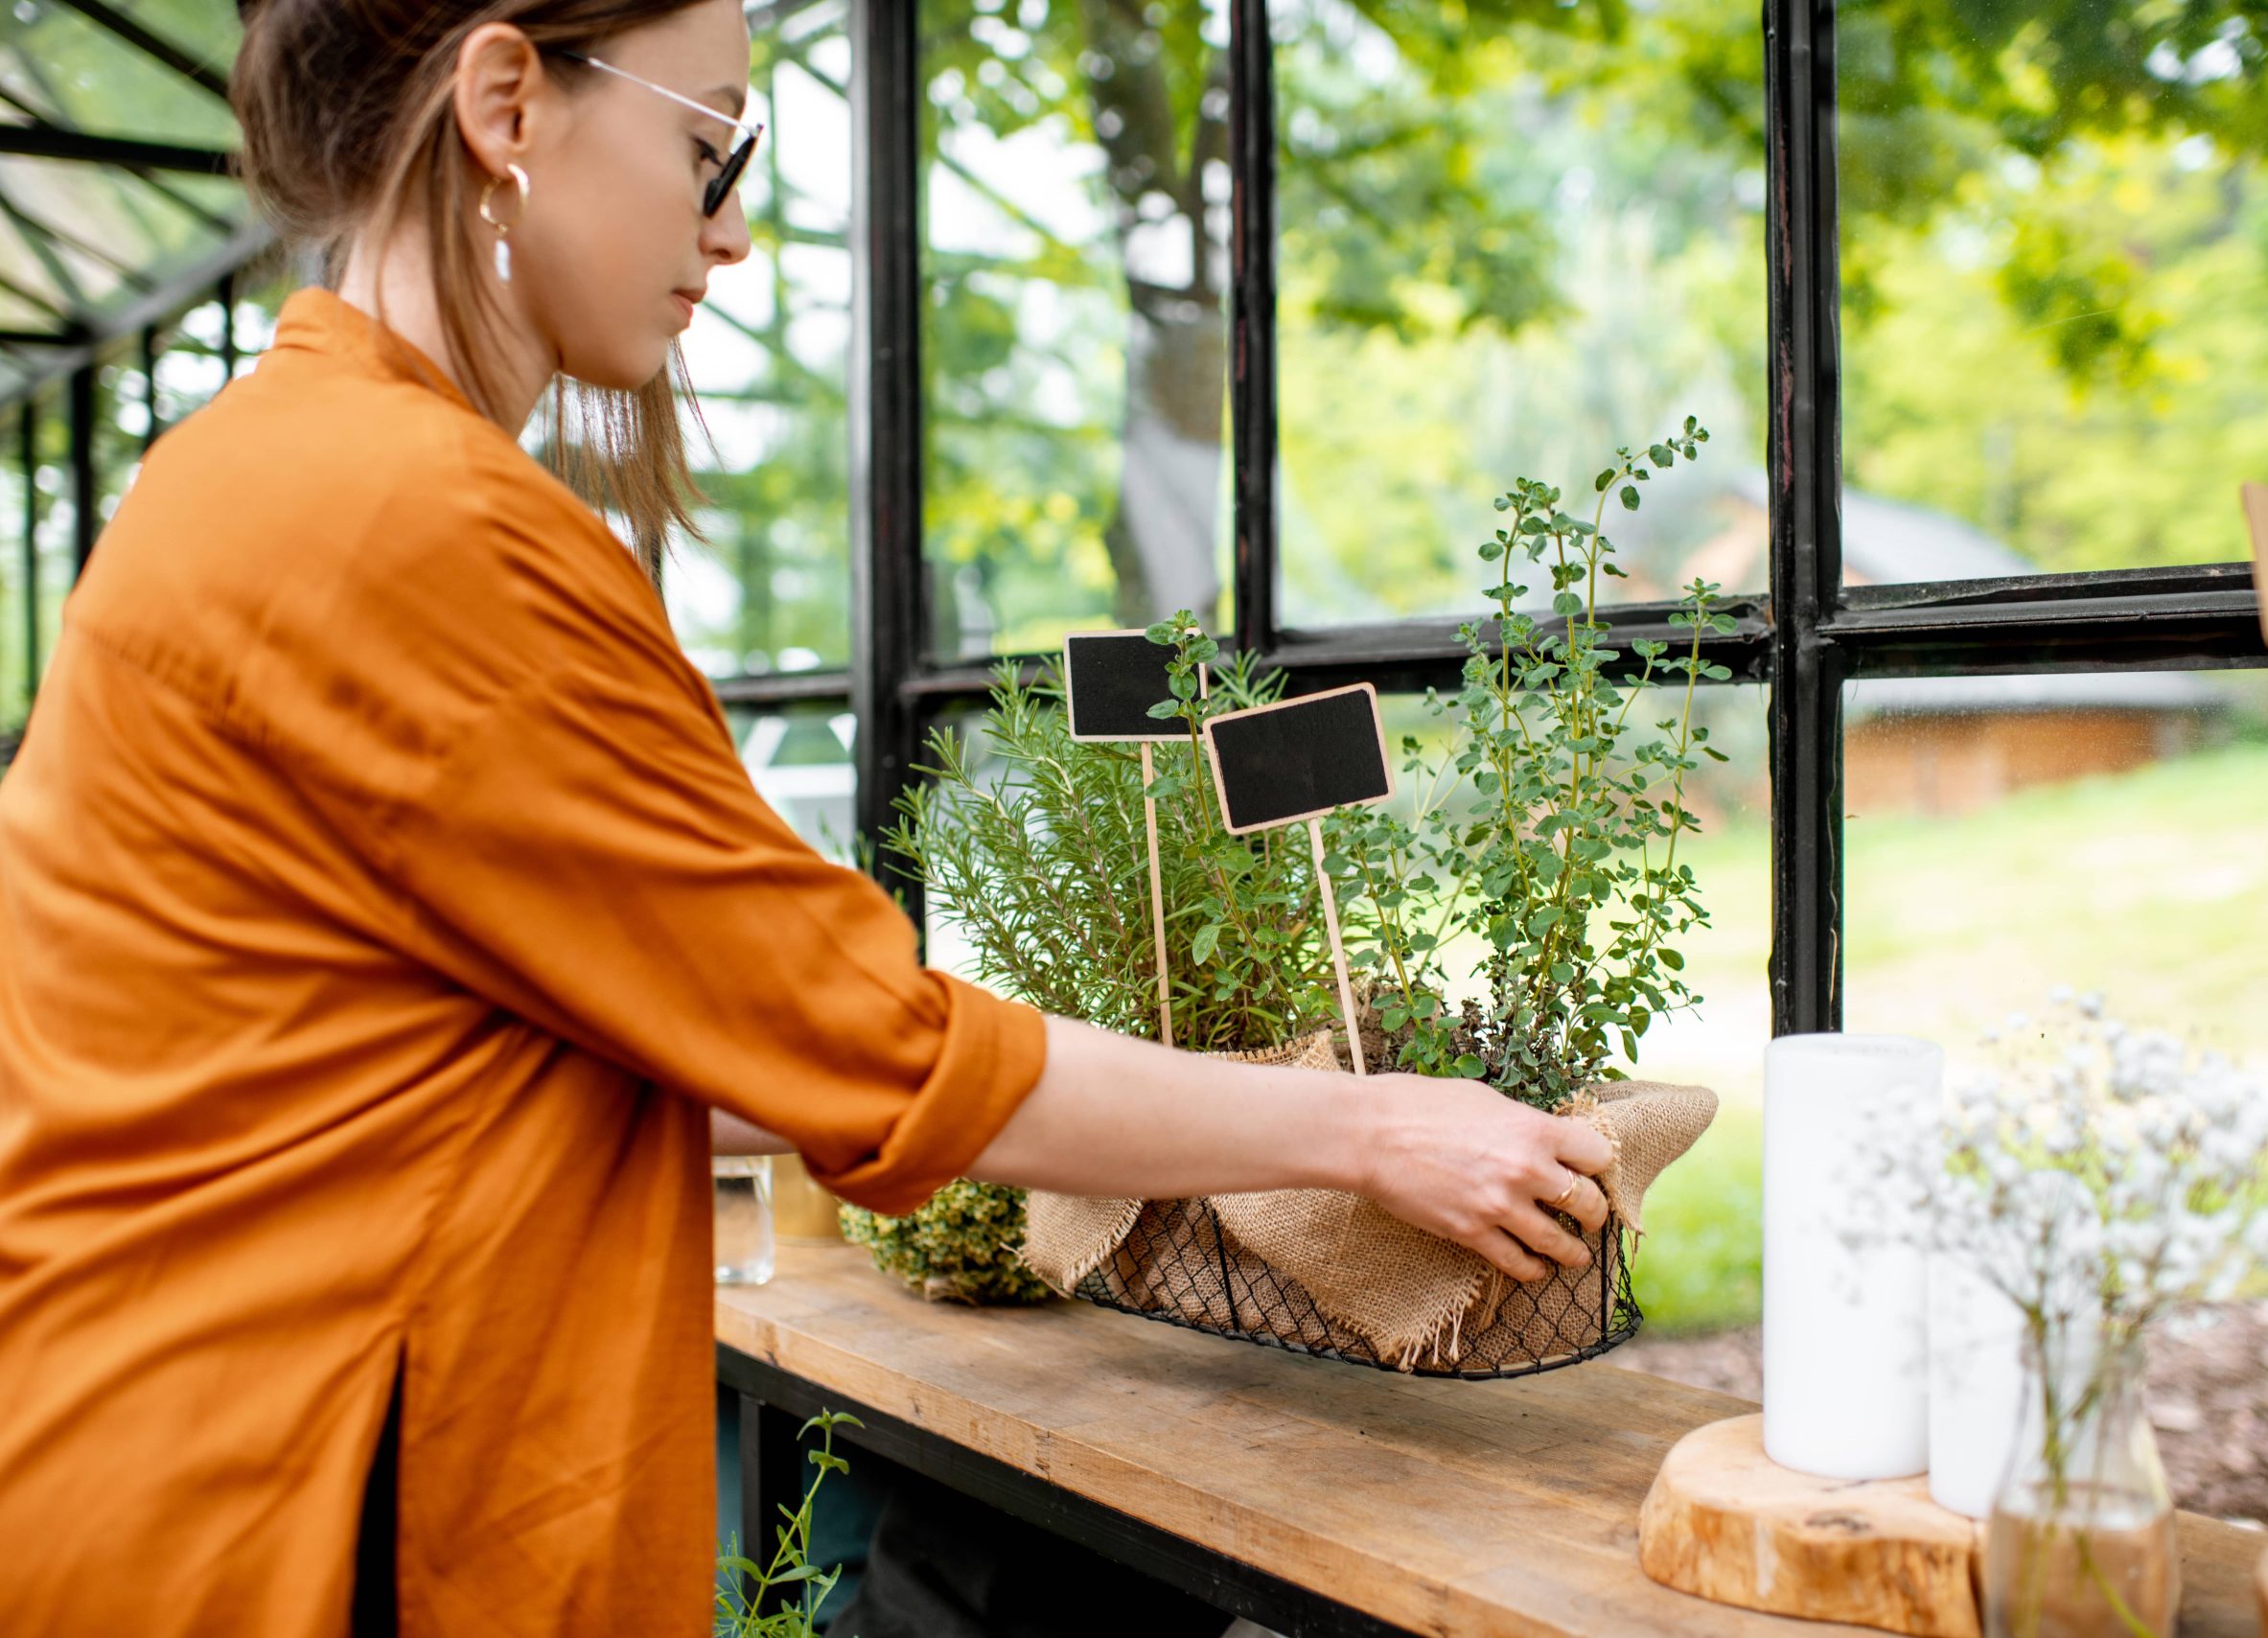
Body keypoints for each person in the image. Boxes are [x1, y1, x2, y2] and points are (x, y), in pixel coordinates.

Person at [0, 1, 1616, 1633]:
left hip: (152, 1458)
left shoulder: (256, 470)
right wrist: (1374, 1125)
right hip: (287, 1512)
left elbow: (644, 1039)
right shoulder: (407, 523)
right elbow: (877, 1050)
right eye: (710, 146)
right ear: (505, 101)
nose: (737, 231)